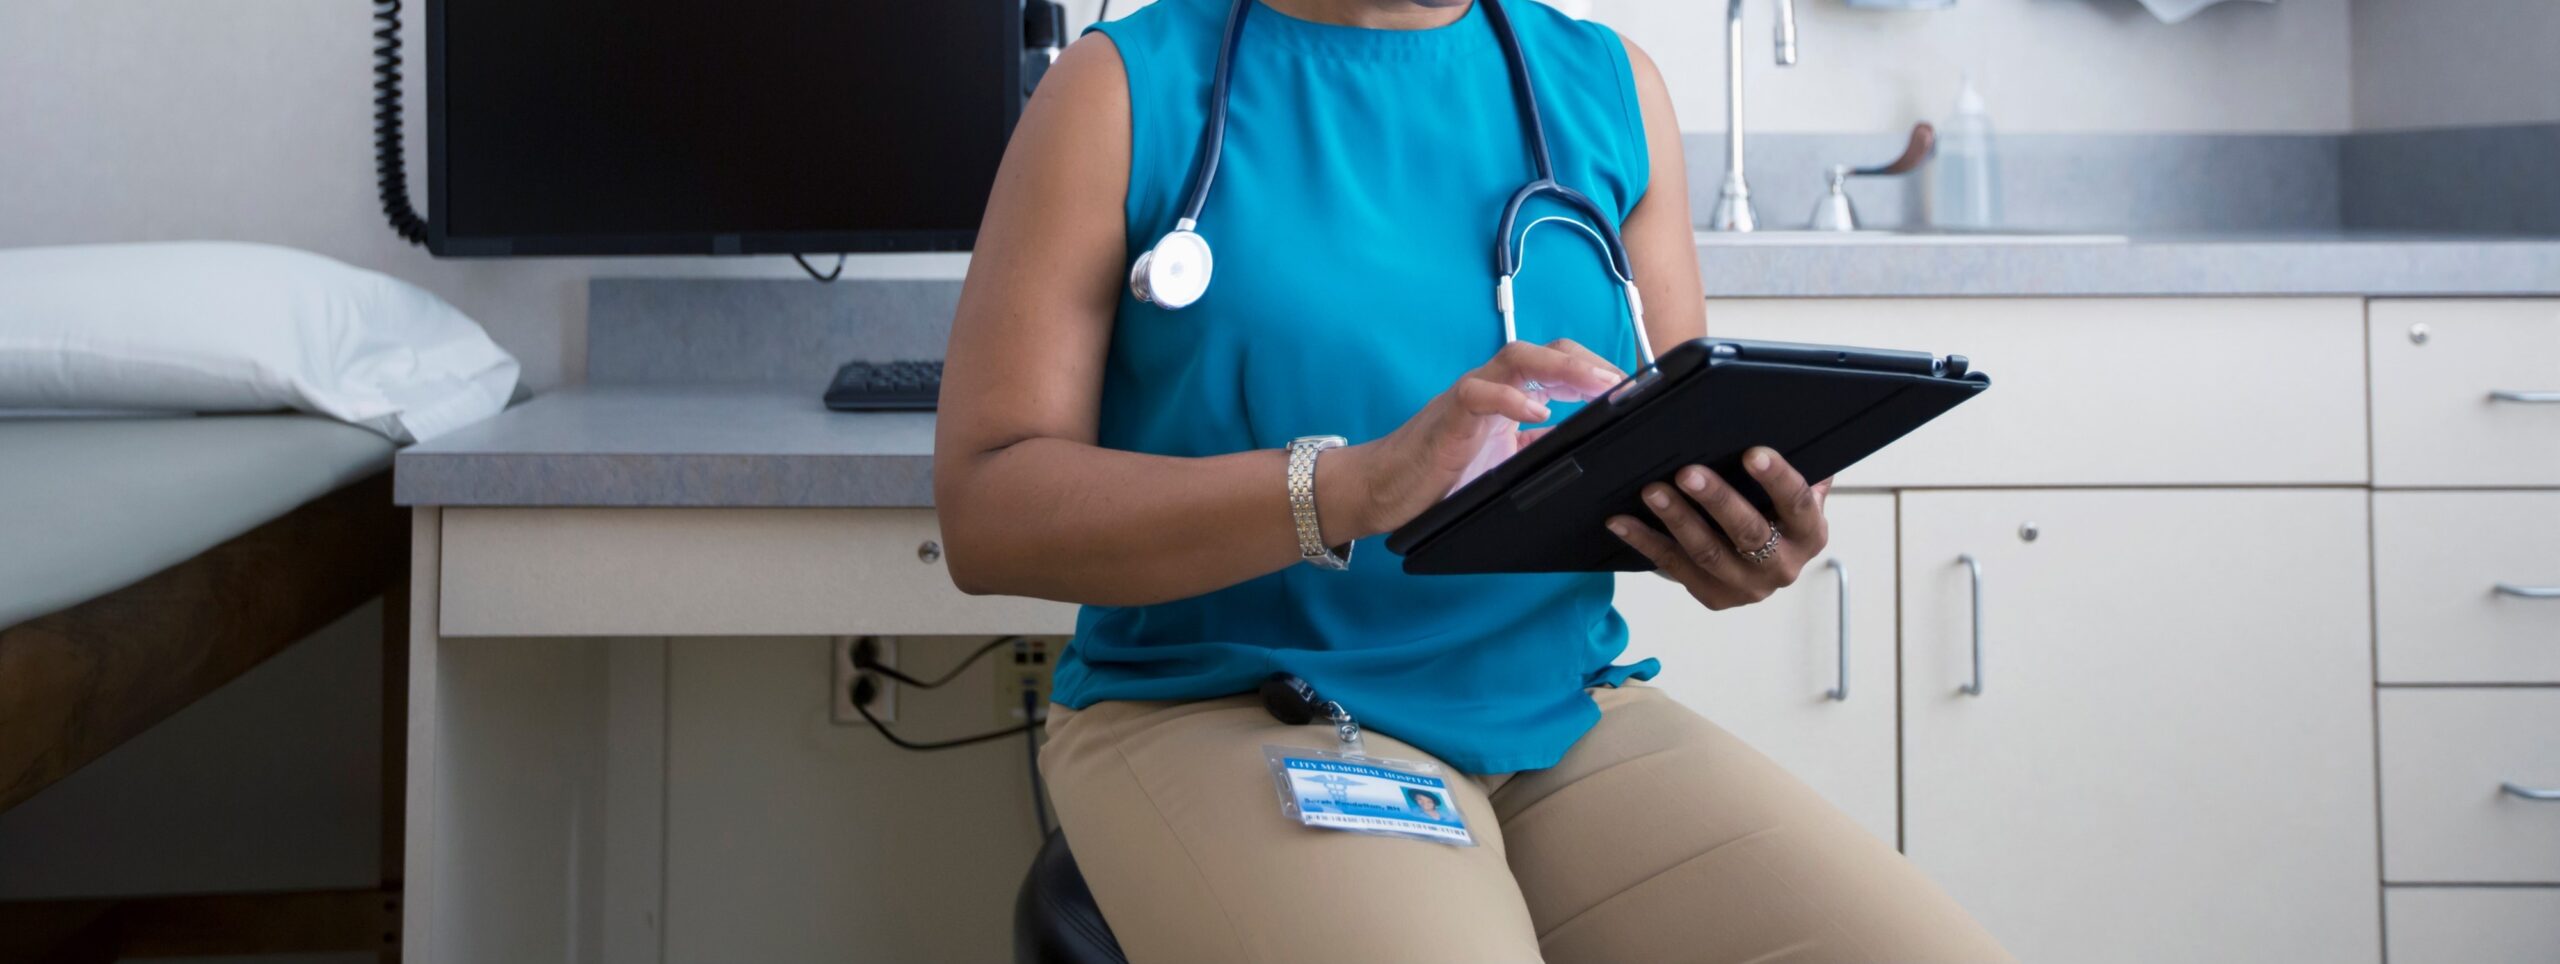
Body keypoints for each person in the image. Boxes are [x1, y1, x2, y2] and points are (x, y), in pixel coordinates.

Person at [934, 0, 2012, 960]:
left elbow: (1663, 442)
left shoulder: (1606, 89)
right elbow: (990, 509)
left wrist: (1737, 540)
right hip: (1222, 707)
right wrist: (1350, 487)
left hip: (1555, 712)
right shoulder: (1124, 87)